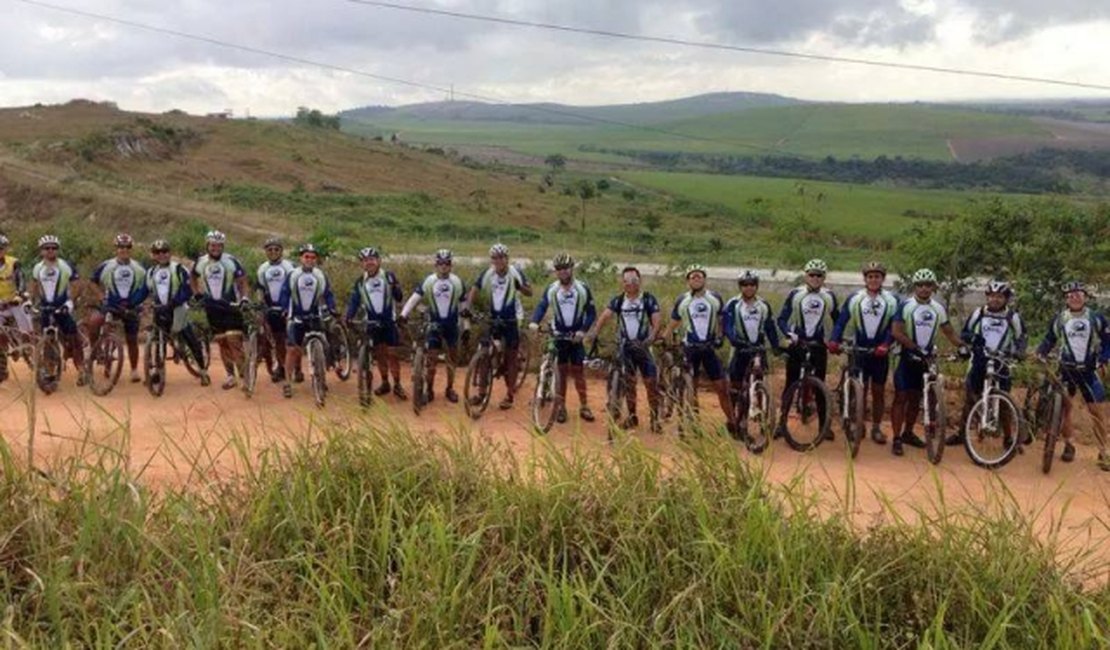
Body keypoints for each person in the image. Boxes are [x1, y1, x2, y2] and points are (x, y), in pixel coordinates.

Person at [890, 268, 967, 457]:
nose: (924, 288)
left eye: (928, 285)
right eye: (920, 285)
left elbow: (948, 332)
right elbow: (896, 332)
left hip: (927, 358)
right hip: (907, 357)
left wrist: (963, 347)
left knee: (916, 398)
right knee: (901, 397)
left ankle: (908, 432)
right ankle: (896, 438)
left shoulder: (938, 308)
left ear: (933, 287)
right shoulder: (906, 305)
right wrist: (913, 347)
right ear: (915, 287)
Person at [1035, 281, 1110, 470]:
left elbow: (1108, 341)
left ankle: (1104, 451)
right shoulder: (1060, 319)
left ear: (1084, 296)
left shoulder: (1096, 318)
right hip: (1066, 370)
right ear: (1066, 299)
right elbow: (1049, 340)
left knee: (1097, 412)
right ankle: (1069, 444)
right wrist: (1040, 353)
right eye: (1070, 295)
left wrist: (1103, 358)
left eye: (1078, 294)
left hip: (1089, 370)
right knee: (1065, 410)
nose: (1074, 297)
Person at [828, 261, 898, 445]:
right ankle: (858, 425)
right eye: (870, 276)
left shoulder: (892, 300)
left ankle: (876, 427)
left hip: (880, 353)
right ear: (865, 278)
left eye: (877, 276)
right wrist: (834, 340)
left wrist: (886, 344)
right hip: (859, 351)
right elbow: (841, 322)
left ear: (883, 278)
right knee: (859, 390)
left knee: (878, 391)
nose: (873, 280)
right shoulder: (855, 298)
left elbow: (895, 326)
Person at [585, 266, 662, 431]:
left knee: (650, 383)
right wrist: (594, 333)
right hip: (625, 347)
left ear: (639, 281)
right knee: (629, 383)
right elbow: (605, 316)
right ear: (622, 283)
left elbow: (656, 321)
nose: (630, 284)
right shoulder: (619, 300)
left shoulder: (648, 299)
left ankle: (655, 419)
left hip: (643, 347)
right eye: (626, 281)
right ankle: (633, 417)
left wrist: (651, 337)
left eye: (634, 280)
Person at [662, 263, 735, 432]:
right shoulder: (683, 300)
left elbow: (722, 321)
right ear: (688, 281)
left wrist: (720, 337)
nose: (696, 278)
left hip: (709, 348)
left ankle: (732, 423)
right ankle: (695, 424)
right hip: (691, 349)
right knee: (691, 390)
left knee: (722, 388)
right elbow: (673, 323)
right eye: (692, 276)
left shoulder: (714, 298)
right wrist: (664, 338)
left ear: (705, 279)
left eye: (699, 276)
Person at [952, 281, 1026, 446]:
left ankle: (1008, 438)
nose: (995, 300)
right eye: (992, 296)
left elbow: (1021, 338)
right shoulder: (979, 313)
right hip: (980, 359)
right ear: (987, 297)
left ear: (1006, 299)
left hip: (1002, 361)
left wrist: (1019, 352)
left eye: (999, 297)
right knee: (971, 397)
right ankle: (961, 434)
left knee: (1004, 401)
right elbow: (965, 333)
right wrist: (972, 341)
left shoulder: (1012, 317)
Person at [776, 259, 840, 440]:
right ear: (806, 275)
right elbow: (781, 319)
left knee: (820, 387)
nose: (815, 278)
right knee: (790, 384)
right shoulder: (795, 294)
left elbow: (838, 321)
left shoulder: (829, 296)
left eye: (819, 275)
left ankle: (823, 426)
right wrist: (789, 334)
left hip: (818, 345)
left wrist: (834, 339)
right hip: (798, 344)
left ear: (824, 277)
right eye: (812, 274)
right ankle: (782, 424)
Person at [529, 252, 597, 423]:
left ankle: (584, 406)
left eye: (565, 268)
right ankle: (561, 407)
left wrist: (583, 331)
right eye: (559, 269)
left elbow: (591, 313)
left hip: (576, 337)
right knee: (561, 372)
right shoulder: (552, 289)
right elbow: (542, 305)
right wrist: (534, 322)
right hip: (558, 335)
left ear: (571, 269)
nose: (562, 272)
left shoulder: (582, 288)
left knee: (578, 372)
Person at [465, 243, 532, 410]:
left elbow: (529, 292)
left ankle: (509, 394)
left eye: (501, 257)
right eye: (495, 258)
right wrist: (467, 307)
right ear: (492, 260)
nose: (498, 261)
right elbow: (474, 289)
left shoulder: (515, 272)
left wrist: (521, 287)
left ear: (507, 259)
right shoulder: (488, 273)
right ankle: (481, 393)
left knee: (510, 357)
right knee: (485, 350)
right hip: (495, 317)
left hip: (513, 318)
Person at [400, 249, 468, 404]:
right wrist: (403, 315)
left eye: (447, 263)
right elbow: (414, 299)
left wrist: (467, 328)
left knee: (451, 360)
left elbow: (464, 308)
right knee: (432, 360)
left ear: (451, 265)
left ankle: (449, 388)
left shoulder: (457, 282)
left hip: (451, 326)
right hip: (434, 325)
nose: (444, 266)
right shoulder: (429, 281)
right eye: (441, 263)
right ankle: (429, 390)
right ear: (436, 265)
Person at [722, 270, 780, 442]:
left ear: (756, 286)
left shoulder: (763, 305)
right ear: (740, 287)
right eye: (745, 285)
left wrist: (776, 347)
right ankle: (733, 421)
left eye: (752, 284)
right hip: (740, 350)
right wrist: (734, 340)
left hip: (758, 350)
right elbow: (728, 326)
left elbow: (769, 327)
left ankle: (763, 419)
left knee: (759, 383)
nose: (749, 288)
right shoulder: (733, 304)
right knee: (736, 386)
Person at [145, 239, 210, 386]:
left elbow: (186, 289)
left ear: (170, 253)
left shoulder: (179, 269)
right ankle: (158, 371)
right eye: (157, 252)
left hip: (178, 309)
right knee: (158, 339)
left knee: (189, 337)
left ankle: (203, 371)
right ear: (153, 255)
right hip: (160, 309)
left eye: (165, 251)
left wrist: (173, 303)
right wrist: (132, 303)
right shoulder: (150, 272)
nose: (161, 255)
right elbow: (144, 290)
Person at [344, 246, 407, 400]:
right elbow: (354, 302)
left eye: (372, 259)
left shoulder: (388, 276)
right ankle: (385, 382)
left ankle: (397, 384)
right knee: (380, 354)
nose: (369, 263)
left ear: (378, 261)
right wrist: (349, 316)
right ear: (362, 264)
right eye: (365, 260)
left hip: (389, 322)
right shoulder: (360, 282)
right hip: (372, 323)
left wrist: (396, 287)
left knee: (392, 355)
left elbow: (399, 297)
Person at [191, 230, 251, 390]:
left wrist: (244, 298)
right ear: (207, 245)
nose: (215, 248)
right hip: (212, 307)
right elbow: (192, 277)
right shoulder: (200, 262)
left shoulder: (231, 261)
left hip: (230, 306)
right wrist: (197, 294)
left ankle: (245, 377)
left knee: (234, 340)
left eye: (218, 245)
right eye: (212, 245)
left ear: (222, 246)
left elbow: (243, 282)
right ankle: (230, 375)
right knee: (222, 342)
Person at [86, 233, 148, 384]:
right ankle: (96, 351)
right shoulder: (106, 265)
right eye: (121, 247)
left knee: (132, 339)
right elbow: (92, 282)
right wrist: (101, 296)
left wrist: (141, 303)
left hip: (131, 307)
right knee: (94, 323)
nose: (124, 250)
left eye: (127, 247)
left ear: (131, 249)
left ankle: (134, 370)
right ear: (116, 249)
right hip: (111, 305)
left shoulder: (139, 268)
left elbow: (146, 286)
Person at [279, 244, 337, 398]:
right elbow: (284, 294)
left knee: (324, 344)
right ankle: (287, 382)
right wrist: (284, 308)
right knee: (292, 350)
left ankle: (321, 377)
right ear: (301, 258)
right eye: (306, 257)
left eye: (313, 257)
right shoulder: (293, 275)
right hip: (296, 316)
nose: (310, 260)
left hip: (315, 315)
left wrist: (331, 308)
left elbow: (328, 294)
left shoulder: (320, 275)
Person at [28, 235, 86, 385]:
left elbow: (77, 285)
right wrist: (29, 301)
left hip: (62, 306)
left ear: (57, 250)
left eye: (54, 248)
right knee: (47, 340)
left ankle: (81, 370)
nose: (50, 251)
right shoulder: (38, 268)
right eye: (47, 248)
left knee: (73, 338)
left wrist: (70, 301)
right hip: (46, 307)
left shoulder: (65, 266)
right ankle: (50, 369)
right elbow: (34, 286)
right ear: (41, 251)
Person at [255, 237, 295, 383]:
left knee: (292, 340)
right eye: (270, 249)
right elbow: (260, 289)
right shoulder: (263, 268)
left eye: (276, 249)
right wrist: (260, 305)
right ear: (265, 251)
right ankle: (282, 368)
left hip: (288, 308)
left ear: (281, 251)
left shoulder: (289, 267)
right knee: (278, 340)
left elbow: (295, 288)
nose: (273, 252)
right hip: (272, 309)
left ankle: (297, 368)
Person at [0, 234, 32, 382]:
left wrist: (19, 295)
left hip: (15, 301)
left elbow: (21, 280)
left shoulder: (13, 263)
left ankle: (29, 346)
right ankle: (2, 367)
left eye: (1, 248)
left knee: (25, 327)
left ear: (5, 249)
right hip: (0, 304)